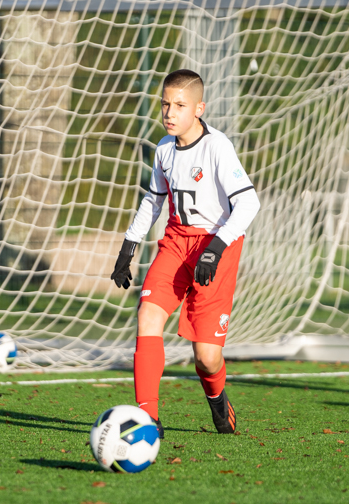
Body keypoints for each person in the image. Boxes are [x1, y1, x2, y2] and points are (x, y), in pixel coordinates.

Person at [110, 69, 260, 438]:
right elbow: (153, 201)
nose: (170, 112)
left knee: (206, 358)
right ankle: (147, 420)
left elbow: (249, 204)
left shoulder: (217, 147)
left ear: (199, 108)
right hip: (176, 243)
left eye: (179, 105)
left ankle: (218, 399)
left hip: (215, 244)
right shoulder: (163, 149)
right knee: (147, 316)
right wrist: (129, 245)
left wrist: (216, 248)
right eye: (165, 104)